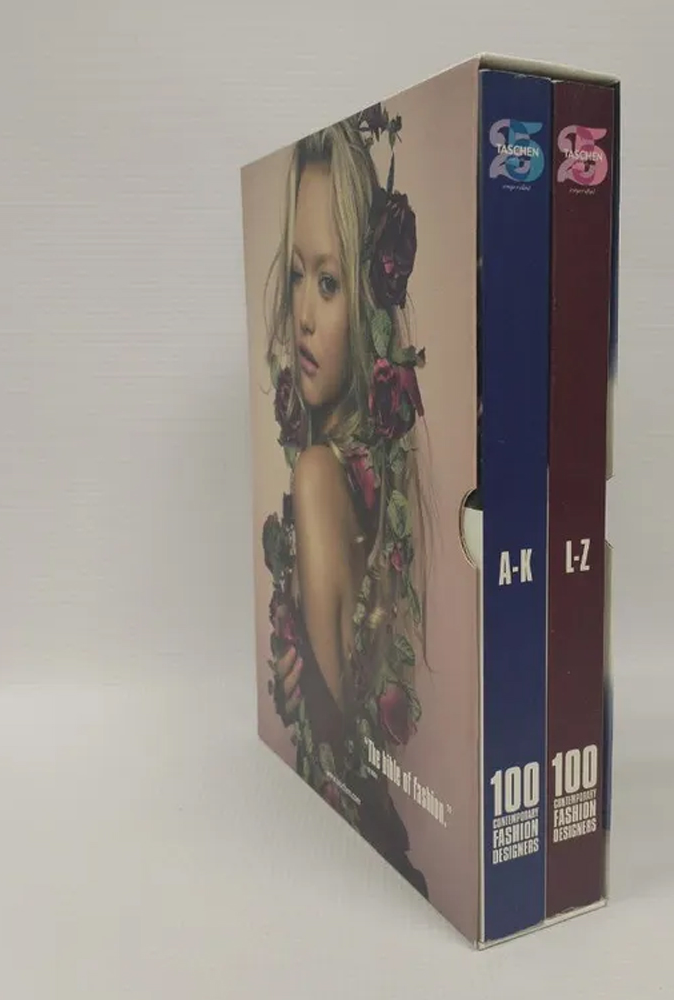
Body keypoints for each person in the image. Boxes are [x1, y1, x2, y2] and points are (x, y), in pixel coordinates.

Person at [259, 107, 431, 897]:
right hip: (354, 856)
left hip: (342, 864)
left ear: (367, 299)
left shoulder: (320, 475)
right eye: (297, 274)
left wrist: (309, 707)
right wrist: (294, 682)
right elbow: (349, 688)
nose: (302, 314)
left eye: (328, 283)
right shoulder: (368, 472)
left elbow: (339, 745)